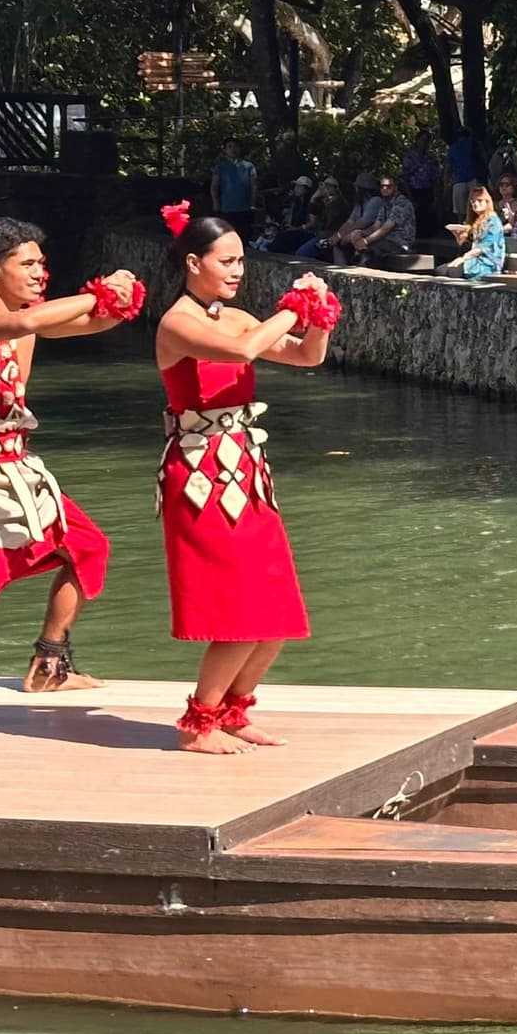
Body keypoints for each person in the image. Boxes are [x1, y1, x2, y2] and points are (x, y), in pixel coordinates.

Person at [0, 219, 142, 719]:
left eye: (41, 263)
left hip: (14, 468)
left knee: (87, 546)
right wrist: (95, 292)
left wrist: (122, 294)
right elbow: (19, 326)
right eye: (28, 264)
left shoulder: (30, 316)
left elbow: (93, 323)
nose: (40, 273)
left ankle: (48, 665)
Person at [153, 205, 335, 753]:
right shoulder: (177, 323)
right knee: (238, 608)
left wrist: (318, 318)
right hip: (199, 473)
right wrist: (291, 306)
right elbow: (241, 351)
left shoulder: (235, 317)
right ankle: (199, 723)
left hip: (247, 469)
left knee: (277, 607)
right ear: (193, 262)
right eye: (226, 261)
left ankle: (234, 710)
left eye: (241, 261)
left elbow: (305, 357)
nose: (237, 271)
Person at [335, 173, 416, 264]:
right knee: (351, 244)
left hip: (399, 243)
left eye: (388, 186)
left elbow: (385, 229)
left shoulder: (401, 203)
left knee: (368, 253)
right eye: (382, 186)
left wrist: (365, 241)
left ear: (396, 188)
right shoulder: (384, 204)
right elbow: (375, 227)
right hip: (384, 241)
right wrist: (361, 233)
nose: (384, 189)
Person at [438, 183, 506, 279]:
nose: (475, 204)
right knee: (441, 270)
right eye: (473, 201)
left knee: (453, 271)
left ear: (487, 202)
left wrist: (463, 258)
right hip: (472, 259)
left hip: (488, 263)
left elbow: (483, 247)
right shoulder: (474, 220)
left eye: (479, 201)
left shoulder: (492, 220)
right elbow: (466, 245)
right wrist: (459, 236)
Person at [210, 139, 259, 233]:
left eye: (236, 146)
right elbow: (214, 186)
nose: (233, 149)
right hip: (227, 207)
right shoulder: (220, 167)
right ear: (225, 150)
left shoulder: (249, 166)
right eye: (230, 146)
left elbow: (254, 186)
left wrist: (253, 203)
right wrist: (215, 203)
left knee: (245, 234)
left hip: (245, 207)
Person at [295, 177, 348, 260]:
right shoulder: (324, 201)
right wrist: (314, 198)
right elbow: (313, 214)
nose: (325, 188)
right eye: (325, 185)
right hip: (319, 234)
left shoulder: (339, 203)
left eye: (329, 186)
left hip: (329, 235)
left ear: (336, 189)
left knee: (301, 253)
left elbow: (328, 223)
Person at [401, 135, 442, 236]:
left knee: (428, 217)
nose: (424, 144)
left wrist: (437, 195)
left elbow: (435, 178)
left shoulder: (431, 158)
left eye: (427, 141)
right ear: (417, 141)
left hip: (428, 190)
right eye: (422, 140)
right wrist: (409, 195)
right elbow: (405, 177)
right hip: (415, 189)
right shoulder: (410, 157)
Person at [446, 129, 480, 220]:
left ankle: (461, 225)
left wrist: (447, 181)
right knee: (476, 206)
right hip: (473, 178)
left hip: (459, 180)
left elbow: (448, 167)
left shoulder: (453, 148)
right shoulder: (473, 144)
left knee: (459, 210)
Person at [493, 172, 517, 242]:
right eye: (501, 184)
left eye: (507, 184)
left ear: (514, 187)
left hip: (511, 237)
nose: (504, 187)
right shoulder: (494, 204)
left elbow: (515, 224)